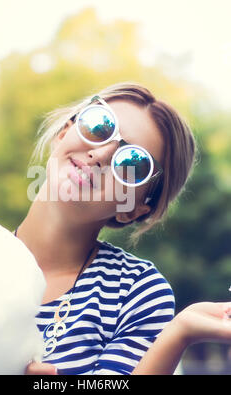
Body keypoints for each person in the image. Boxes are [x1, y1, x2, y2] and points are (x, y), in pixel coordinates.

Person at [15, 82, 231, 375]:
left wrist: (178, 334)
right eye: (99, 126)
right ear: (64, 132)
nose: (101, 155)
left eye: (133, 163)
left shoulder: (136, 293)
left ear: (137, 207)